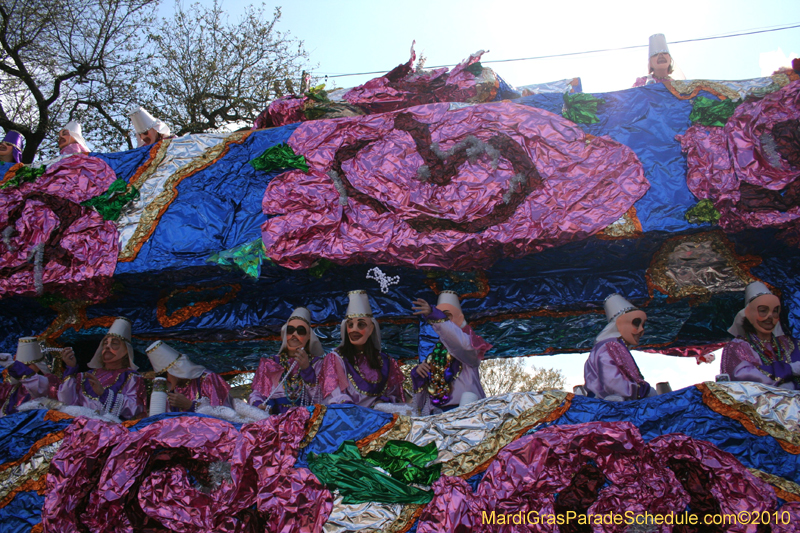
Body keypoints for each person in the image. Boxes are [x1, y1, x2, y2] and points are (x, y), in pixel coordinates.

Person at [321, 290, 407, 408]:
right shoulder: (336, 359)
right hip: (349, 420)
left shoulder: (386, 362)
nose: (354, 329)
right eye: (350, 325)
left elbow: (395, 396)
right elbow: (335, 396)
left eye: (361, 324)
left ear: (371, 329)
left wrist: (382, 403)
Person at [410, 291, 491, 413]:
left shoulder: (471, 344)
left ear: (461, 318)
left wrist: (434, 315)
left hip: (467, 414)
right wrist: (418, 375)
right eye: (441, 316)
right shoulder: (434, 355)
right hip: (438, 418)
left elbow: (459, 343)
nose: (443, 320)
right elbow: (420, 405)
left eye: (447, 316)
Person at [58, 317, 146, 419]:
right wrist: (71, 368)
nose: (107, 347)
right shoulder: (85, 376)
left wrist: (104, 394)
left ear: (126, 351)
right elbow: (66, 403)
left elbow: (135, 409)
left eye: (115, 343)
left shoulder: (131, 377)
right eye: (105, 343)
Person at [721, 281, 800, 389]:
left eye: (775, 311)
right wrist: (789, 369)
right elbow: (741, 375)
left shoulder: (790, 343)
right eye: (763, 311)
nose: (770, 316)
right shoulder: (738, 346)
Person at [249, 307, 329, 414]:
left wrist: (307, 370)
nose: (294, 335)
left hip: (307, 422)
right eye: (290, 330)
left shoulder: (318, 364)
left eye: (300, 331)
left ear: (309, 336)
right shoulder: (270, 363)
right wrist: (258, 405)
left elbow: (321, 399)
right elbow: (257, 394)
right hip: (275, 422)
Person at [584, 294, 655, 401]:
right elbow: (613, 383)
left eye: (643, 325)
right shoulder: (610, 346)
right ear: (620, 323)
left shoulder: (613, 345)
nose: (641, 330)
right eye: (636, 323)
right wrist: (645, 391)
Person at [146, 341, 232, 412]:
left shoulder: (208, 379)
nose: (165, 381)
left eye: (165, 376)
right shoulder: (173, 391)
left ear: (175, 370)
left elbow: (223, 413)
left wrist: (190, 405)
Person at [0, 338, 76, 416]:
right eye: (22, 366)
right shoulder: (13, 388)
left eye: (27, 365)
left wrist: (13, 365)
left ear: (38, 365)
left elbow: (34, 382)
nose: (24, 368)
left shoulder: (49, 382)